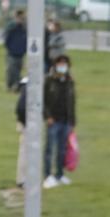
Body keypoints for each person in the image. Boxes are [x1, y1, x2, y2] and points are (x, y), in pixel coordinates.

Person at [43, 58, 77, 190]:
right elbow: (43, 100)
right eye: (60, 64)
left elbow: (72, 101)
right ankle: (47, 175)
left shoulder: (70, 82)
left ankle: (59, 174)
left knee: (62, 149)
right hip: (53, 120)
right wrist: (48, 116)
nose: (62, 66)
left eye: (65, 64)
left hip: (66, 120)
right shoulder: (49, 81)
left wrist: (73, 121)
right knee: (50, 149)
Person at [4, 7, 27, 90]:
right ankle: (10, 85)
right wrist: (9, 48)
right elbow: (7, 38)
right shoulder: (11, 26)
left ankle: (17, 86)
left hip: (20, 53)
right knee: (11, 70)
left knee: (18, 70)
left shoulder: (24, 27)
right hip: (12, 53)